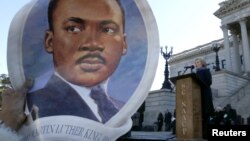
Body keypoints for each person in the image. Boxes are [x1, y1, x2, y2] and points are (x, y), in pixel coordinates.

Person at [26, 0, 128, 124]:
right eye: (73, 29)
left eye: (108, 30)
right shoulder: (30, 105)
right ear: (50, 41)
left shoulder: (122, 109)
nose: (93, 44)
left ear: (124, 44)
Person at [194, 58, 214, 139]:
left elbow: (209, 81)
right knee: (200, 115)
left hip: (205, 94)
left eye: (198, 62)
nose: (196, 64)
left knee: (206, 115)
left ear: (202, 63)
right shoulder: (196, 72)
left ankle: (206, 134)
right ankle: (200, 133)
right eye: (196, 63)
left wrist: (201, 84)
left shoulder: (206, 70)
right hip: (198, 95)